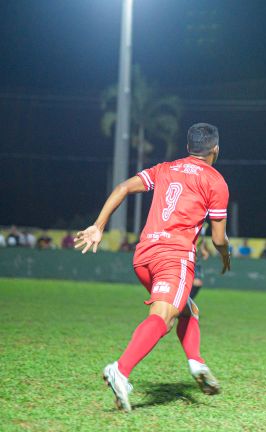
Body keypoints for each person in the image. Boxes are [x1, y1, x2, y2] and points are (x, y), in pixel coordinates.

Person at [75, 123, 231, 412]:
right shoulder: (215, 181)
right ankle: (120, 370)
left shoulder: (165, 168)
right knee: (163, 315)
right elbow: (219, 238)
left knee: (187, 309)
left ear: (188, 148)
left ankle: (196, 363)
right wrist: (225, 255)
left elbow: (123, 187)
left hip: (144, 256)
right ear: (215, 150)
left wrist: (98, 226)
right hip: (175, 256)